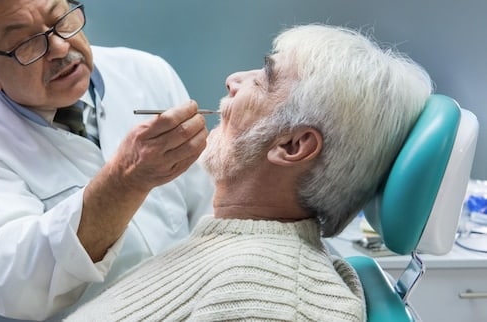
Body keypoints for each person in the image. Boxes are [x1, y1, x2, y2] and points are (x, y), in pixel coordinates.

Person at [0, 0, 214, 322]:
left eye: (61, 19)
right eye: (28, 42)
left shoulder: (145, 73)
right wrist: (125, 180)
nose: (60, 47)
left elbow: (207, 204)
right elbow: (16, 288)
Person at [66, 24, 434, 321]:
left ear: (292, 146)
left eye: (264, 78)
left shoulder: (266, 300)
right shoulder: (235, 260)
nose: (233, 80)